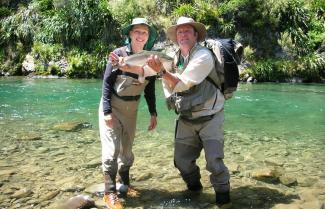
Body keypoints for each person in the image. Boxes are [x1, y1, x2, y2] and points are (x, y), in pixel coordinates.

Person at [146, 16, 231, 208]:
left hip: (210, 117)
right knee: (181, 162)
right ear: (176, 36)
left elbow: (183, 84)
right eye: (179, 31)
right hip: (186, 118)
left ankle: (224, 201)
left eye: (187, 31)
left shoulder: (203, 56)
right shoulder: (175, 57)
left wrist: (163, 73)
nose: (183, 34)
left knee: (214, 164)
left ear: (195, 35)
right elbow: (159, 77)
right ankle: (195, 192)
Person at [98, 17, 158, 209]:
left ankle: (124, 185)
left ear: (148, 37)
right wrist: (107, 111)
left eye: (144, 33)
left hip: (132, 110)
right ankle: (109, 193)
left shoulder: (152, 60)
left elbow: (149, 89)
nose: (141, 36)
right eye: (137, 32)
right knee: (111, 151)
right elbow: (107, 83)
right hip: (113, 108)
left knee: (127, 151)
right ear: (130, 34)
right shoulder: (118, 54)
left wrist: (153, 113)